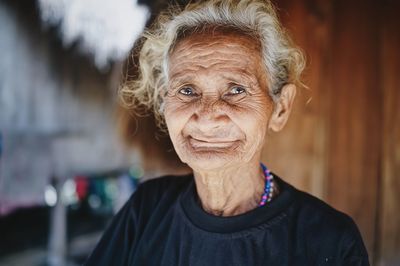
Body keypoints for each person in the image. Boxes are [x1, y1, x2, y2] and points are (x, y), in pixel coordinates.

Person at [85, 0, 369, 265]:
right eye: (187, 90)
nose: (207, 116)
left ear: (280, 108)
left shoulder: (328, 242)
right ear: (163, 103)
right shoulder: (145, 210)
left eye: (236, 90)